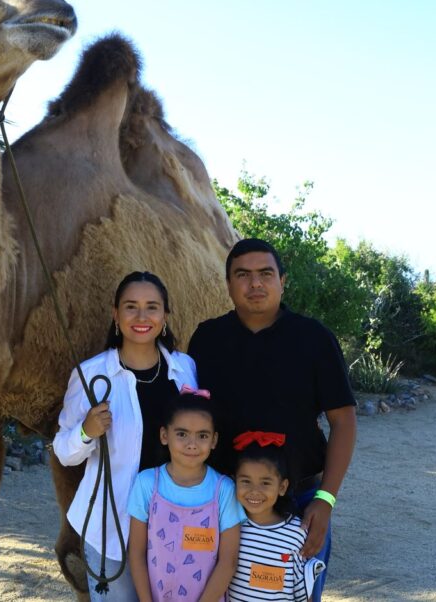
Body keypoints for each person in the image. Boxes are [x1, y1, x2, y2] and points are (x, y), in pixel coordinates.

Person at [188, 238, 357, 601]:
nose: (255, 283)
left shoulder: (315, 339)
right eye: (243, 275)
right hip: (223, 501)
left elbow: (343, 421)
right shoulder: (207, 339)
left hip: (299, 502)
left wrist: (325, 499)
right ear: (228, 284)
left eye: (266, 273)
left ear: (282, 280)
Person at [54, 271, 198, 601]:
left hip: (176, 521)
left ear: (165, 315)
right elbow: (64, 451)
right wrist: (86, 431)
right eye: (131, 307)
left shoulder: (185, 369)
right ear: (115, 315)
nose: (142, 317)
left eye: (152, 307)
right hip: (111, 528)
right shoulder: (91, 375)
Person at [127, 390, 244, 602]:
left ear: (214, 440)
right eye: (182, 434)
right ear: (164, 435)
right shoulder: (147, 484)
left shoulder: (224, 490)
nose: (192, 444)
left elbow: (228, 561)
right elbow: (136, 553)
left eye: (202, 435)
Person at [227, 431, 325, 601]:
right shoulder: (229, 527)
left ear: (282, 487)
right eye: (245, 481)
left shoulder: (297, 532)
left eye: (265, 483)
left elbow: (302, 589)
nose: (254, 491)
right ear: (234, 481)